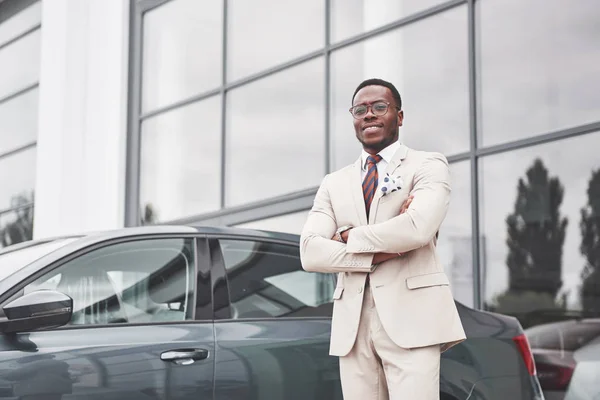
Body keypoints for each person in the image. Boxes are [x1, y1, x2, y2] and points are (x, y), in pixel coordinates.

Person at [300, 78, 466, 399]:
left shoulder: (428, 165)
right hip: (353, 329)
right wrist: (384, 250)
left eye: (379, 107)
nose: (369, 115)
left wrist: (349, 237)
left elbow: (417, 227)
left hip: (413, 323)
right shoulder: (334, 183)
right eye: (360, 110)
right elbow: (310, 253)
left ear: (399, 117)